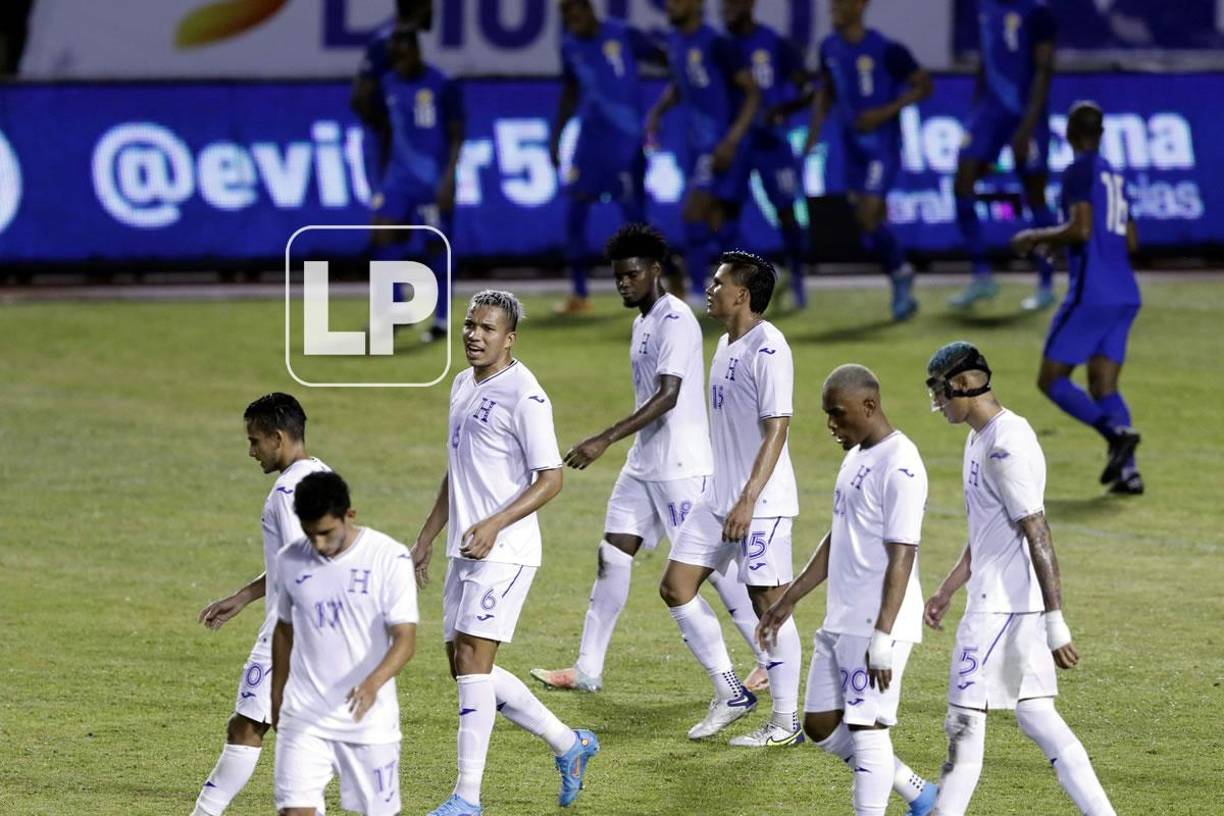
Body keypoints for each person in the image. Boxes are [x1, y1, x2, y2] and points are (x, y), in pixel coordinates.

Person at [530, 224, 770, 694]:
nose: (624, 283)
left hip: (682, 467)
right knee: (612, 553)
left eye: (633, 274)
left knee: (713, 571)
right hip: (646, 464)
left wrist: (603, 438)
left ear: (655, 271)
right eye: (618, 276)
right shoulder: (643, 322)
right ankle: (587, 669)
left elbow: (668, 395)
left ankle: (767, 659)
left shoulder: (675, 320)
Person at [411, 291, 599, 816]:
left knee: (473, 661)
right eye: (470, 325)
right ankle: (569, 743)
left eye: (487, 329)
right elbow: (459, 470)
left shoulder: (526, 395)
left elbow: (551, 478)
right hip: (465, 549)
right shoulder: (461, 384)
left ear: (509, 338)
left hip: (507, 549)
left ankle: (467, 798)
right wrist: (427, 538)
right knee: (463, 666)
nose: (474, 335)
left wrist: (496, 522)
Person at [922, 341, 1118, 816]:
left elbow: (1037, 529)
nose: (938, 404)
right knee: (1036, 715)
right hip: (1003, 601)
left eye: (941, 393)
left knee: (963, 724)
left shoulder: (1005, 446)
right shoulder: (981, 436)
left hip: (1000, 611)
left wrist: (1056, 621)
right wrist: (949, 587)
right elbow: (991, 530)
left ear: (965, 385)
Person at [757, 365, 938, 816]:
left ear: (869, 406)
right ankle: (918, 792)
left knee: (868, 728)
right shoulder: (856, 454)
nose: (831, 426)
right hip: (841, 617)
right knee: (819, 724)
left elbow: (903, 554)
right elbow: (839, 535)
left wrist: (882, 636)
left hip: (876, 621)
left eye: (837, 415)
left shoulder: (901, 464)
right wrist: (791, 596)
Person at [658, 251, 803, 747]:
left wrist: (748, 499)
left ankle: (786, 723)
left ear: (742, 295)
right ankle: (731, 692)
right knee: (677, 586)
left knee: (770, 605)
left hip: (759, 502)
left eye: (718, 282)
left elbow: (776, 430)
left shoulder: (769, 349)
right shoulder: (724, 344)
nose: (710, 288)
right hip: (718, 496)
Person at [191, 394, 331, 816]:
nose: (251, 451)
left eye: (255, 441)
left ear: (277, 437)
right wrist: (245, 596)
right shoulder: (322, 474)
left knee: (250, 727)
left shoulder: (287, 492)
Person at [1011, 101, 1142, 493]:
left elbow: (1082, 229)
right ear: (1100, 133)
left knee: (1051, 379)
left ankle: (1115, 435)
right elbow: (1130, 240)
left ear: (1069, 134)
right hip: (1125, 293)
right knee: (1105, 386)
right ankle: (1128, 473)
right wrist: (1069, 245)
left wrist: (1036, 237)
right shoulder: (1114, 175)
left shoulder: (1079, 170)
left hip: (1092, 293)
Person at [270, 471, 418, 816]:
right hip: (304, 714)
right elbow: (284, 629)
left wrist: (372, 683)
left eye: (326, 533)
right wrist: (277, 693)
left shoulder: (388, 558)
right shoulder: (290, 559)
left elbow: (405, 639)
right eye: (310, 534)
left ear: (349, 515)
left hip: (366, 720)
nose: (318, 545)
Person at [803, 0, 932, 321]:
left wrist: (885, 112)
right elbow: (826, 91)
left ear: (859, 6)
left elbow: (924, 85)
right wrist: (814, 133)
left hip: (882, 146)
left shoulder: (887, 50)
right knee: (865, 221)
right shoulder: (828, 48)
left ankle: (901, 277)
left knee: (869, 211)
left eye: (839, 5)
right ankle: (900, 270)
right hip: (850, 147)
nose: (833, 10)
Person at [550, 0, 660, 316]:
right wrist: (555, 136)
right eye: (566, 16)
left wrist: (665, 109)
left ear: (589, 10)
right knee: (574, 213)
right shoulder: (569, 46)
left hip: (626, 142)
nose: (573, 20)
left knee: (635, 221)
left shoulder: (622, 34)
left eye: (576, 12)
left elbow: (667, 57)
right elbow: (570, 92)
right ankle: (579, 294)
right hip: (591, 142)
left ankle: (656, 286)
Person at [647, 0, 760, 307]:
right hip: (695, 144)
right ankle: (763, 271)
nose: (669, 6)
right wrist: (657, 113)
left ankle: (697, 292)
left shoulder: (718, 44)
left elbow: (752, 92)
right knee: (715, 222)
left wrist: (732, 140)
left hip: (719, 143)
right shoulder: (675, 42)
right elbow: (681, 84)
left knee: (693, 213)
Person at [948, 0, 1058, 311]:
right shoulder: (985, 7)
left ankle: (1046, 284)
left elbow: (1044, 69)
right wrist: (975, 111)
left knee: (1035, 194)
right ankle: (982, 275)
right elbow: (988, 59)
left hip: (1027, 112)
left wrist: (1027, 125)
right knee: (962, 182)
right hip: (989, 111)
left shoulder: (1037, 12)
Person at [365, 27, 463, 344]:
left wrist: (448, 178)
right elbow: (384, 131)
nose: (400, 61)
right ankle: (394, 312)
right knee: (381, 236)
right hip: (398, 179)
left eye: (405, 53)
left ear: (417, 51)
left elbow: (457, 134)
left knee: (436, 247)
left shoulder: (442, 84)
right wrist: (381, 178)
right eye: (396, 55)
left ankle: (442, 320)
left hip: (432, 180)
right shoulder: (388, 84)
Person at [722, 0, 814, 309]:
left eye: (731, 5)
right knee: (726, 212)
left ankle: (797, 278)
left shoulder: (775, 43)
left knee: (786, 210)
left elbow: (808, 88)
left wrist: (782, 110)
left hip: (772, 141)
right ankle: (747, 281)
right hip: (736, 141)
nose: (726, 10)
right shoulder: (721, 46)